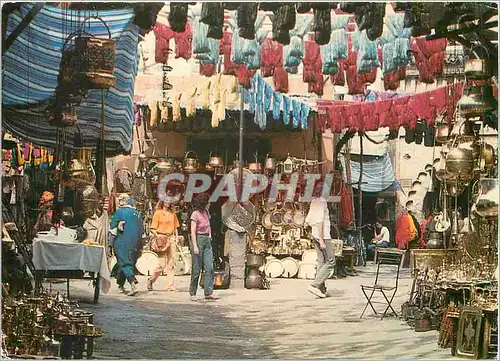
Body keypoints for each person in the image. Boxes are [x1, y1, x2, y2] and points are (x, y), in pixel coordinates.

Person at [109, 194, 143, 296]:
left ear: (124, 201)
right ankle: (120, 285)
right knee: (124, 263)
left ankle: (133, 285)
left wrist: (110, 244)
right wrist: (141, 245)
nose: (119, 202)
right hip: (136, 244)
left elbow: (113, 229)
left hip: (122, 242)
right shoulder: (137, 214)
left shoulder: (120, 212)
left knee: (124, 263)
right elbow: (143, 232)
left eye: (120, 200)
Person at [305, 183, 334, 299]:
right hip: (323, 235)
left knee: (321, 262)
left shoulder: (314, 201)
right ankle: (314, 285)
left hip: (315, 234)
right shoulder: (322, 201)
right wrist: (322, 239)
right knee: (331, 261)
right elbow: (320, 221)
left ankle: (322, 289)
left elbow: (308, 220)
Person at [189, 193, 218, 301]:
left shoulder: (206, 212)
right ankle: (193, 292)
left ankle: (208, 292)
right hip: (198, 239)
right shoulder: (195, 214)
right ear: (204, 203)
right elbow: (192, 232)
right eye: (208, 202)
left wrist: (209, 235)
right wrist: (195, 246)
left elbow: (208, 225)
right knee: (196, 268)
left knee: (209, 267)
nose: (209, 204)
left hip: (206, 240)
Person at [147, 200, 180, 291]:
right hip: (161, 238)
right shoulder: (158, 213)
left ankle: (170, 286)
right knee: (161, 264)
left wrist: (176, 238)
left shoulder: (172, 213)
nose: (168, 201)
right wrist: (158, 237)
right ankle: (151, 279)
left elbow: (175, 227)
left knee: (171, 263)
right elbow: (153, 228)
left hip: (171, 238)